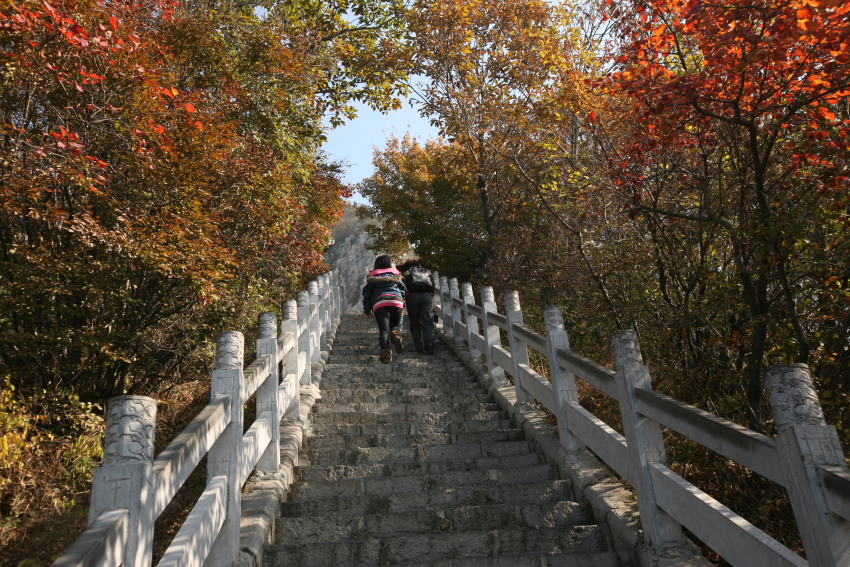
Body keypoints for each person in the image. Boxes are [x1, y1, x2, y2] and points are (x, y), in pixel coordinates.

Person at [362, 255, 407, 363]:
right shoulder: (396, 273)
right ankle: (396, 336)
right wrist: (403, 305)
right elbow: (403, 289)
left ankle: (386, 355)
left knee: (384, 330)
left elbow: (366, 293)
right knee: (395, 327)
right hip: (396, 300)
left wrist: (367, 310)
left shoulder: (372, 275)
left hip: (379, 302)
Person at [399, 259, 436, 355]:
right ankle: (429, 343)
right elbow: (433, 286)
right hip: (427, 297)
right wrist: (432, 300)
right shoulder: (426, 272)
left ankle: (418, 345)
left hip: (412, 297)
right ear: (419, 265)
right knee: (427, 320)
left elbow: (403, 286)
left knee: (414, 321)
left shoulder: (407, 272)